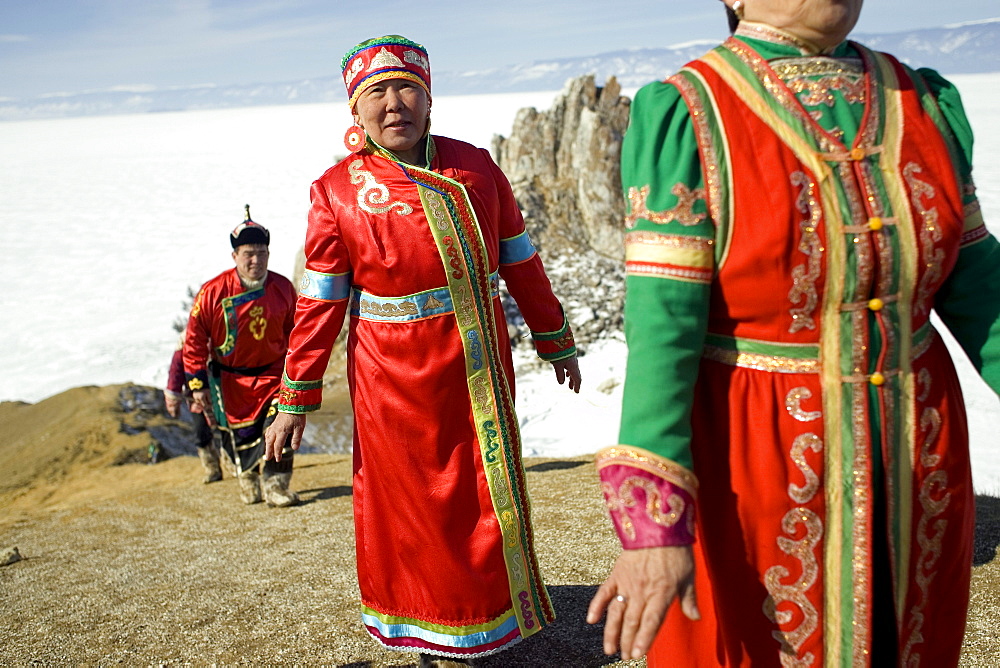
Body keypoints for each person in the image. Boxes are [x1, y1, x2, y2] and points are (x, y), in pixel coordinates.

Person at [587, 1, 1000, 666]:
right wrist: (653, 527)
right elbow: (664, 331)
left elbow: (978, 285)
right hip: (756, 465)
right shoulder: (693, 113)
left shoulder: (921, 101)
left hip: (919, 454)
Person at [264, 35, 581, 664]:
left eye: (406, 87)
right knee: (415, 513)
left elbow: (519, 258)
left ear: (429, 98)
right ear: (354, 111)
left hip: (477, 367)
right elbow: (320, 303)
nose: (393, 104)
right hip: (391, 381)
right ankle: (432, 630)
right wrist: (295, 397)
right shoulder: (336, 191)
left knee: (482, 498)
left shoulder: (476, 168)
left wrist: (554, 338)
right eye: (375, 92)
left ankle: (489, 619)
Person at [184, 206, 299, 507]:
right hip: (232, 382)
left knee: (283, 427)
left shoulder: (283, 288)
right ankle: (248, 479)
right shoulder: (212, 293)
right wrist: (197, 385)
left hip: (275, 377)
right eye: (249, 253)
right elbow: (194, 340)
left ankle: (276, 485)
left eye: (262, 253)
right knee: (242, 440)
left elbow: (296, 336)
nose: (255, 260)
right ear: (234, 256)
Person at [164, 335, 220, 480]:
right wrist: (173, 399)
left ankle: (234, 464)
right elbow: (176, 371)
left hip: (223, 394)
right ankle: (212, 468)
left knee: (228, 432)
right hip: (196, 399)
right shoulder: (185, 339)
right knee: (201, 432)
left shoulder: (221, 331)